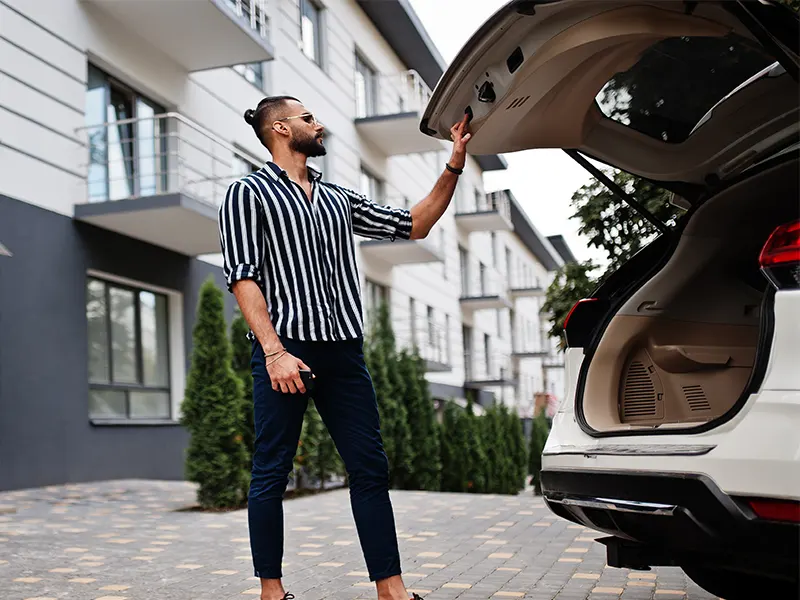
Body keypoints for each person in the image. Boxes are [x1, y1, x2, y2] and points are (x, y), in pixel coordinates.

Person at [217, 95, 472, 600]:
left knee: (370, 468)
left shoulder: (339, 198)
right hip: (285, 350)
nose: (321, 124)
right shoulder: (247, 193)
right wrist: (273, 351)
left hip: (344, 352)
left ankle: (391, 589)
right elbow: (243, 277)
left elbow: (415, 223)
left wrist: (454, 165)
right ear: (282, 129)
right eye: (309, 118)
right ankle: (272, 592)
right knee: (272, 469)